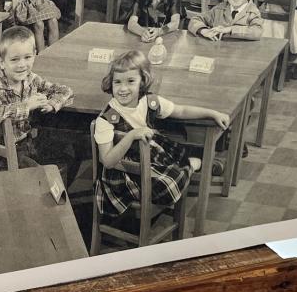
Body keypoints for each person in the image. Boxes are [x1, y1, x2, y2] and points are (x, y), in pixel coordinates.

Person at [93, 50, 228, 229]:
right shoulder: (106, 119)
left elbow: (181, 111)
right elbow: (108, 161)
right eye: (117, 82)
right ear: (111, 83)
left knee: (177, 157)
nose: (123, 88)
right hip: (124, 175)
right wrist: (132, 135)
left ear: (143, 81)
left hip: (151, 157)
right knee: (169, 185)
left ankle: (191, 162)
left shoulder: (150, 101)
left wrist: (212, 113)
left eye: (130, 81)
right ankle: (194, 164)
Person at [0, 25, 86, 185]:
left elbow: (65, 90)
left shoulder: (30, 79)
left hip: (25, 146)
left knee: (66, 157)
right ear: (1, 62)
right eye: (14, 59)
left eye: (27, 57)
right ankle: (37, 202)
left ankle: (47, 203)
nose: (22, 65)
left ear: (35, 55)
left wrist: (52, 104)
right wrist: (25, 105)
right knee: (48, 176)